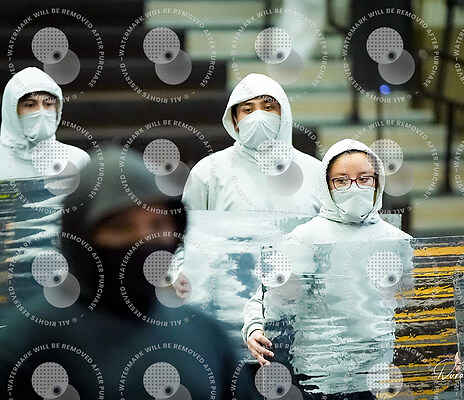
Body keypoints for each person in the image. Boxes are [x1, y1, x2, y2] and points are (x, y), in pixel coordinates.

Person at [0, 146, 257, 399]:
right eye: (121, 227)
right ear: (81, 234)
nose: (144, 240)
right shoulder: (26, 344)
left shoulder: (205, 336)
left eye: (157, 224)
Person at [243, 139, 413, 398]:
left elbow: (413, 306)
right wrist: (255, 327)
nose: (354, 187)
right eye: (341, 180)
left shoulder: (398, 241)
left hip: (380, 377)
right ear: (327, 185)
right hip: (318, 379)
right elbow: (265, 298)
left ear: (377, 182)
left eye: (364, 179)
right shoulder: (305, 238)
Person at [182, 73, 322, 213]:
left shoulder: (317, 173)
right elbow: (188, 225)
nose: (258, 117)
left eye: (268, 108)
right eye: (248, 110)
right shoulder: (208, 172)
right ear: (235, 121)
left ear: (284, 115)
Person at [0, 67, 89, 180]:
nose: (41, 112)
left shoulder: (78, 160)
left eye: (48, 104)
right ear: (11, 111)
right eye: (30, 105)